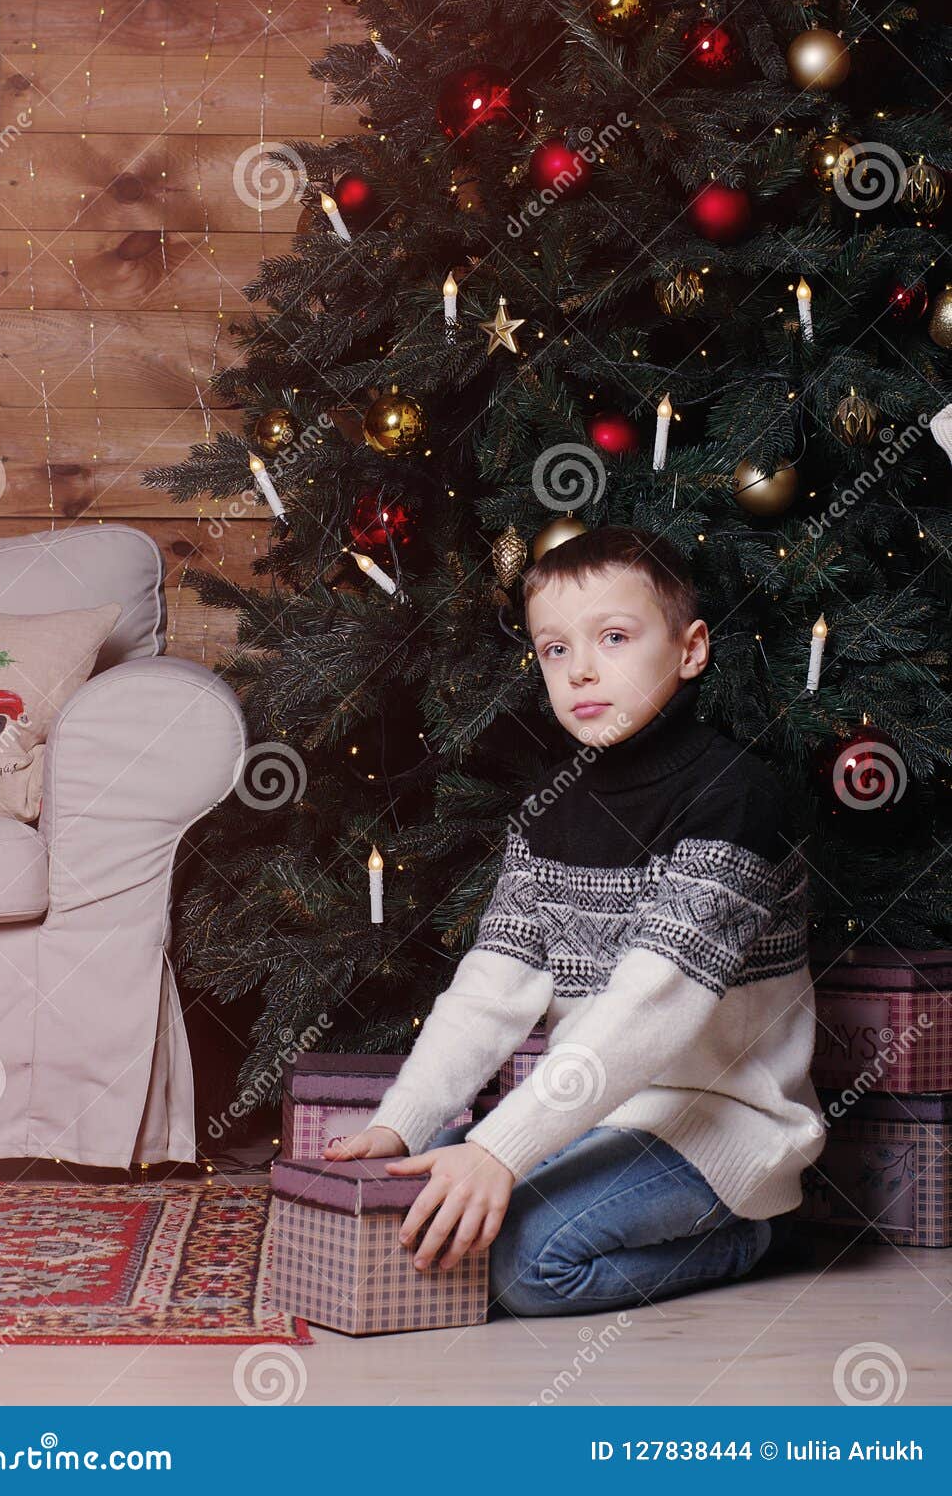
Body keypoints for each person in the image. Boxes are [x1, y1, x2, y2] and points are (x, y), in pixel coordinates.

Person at [324, 526, 826, 1318]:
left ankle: (753, 1238)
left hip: (722, 1124)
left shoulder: (736, 798)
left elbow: (649, 1004)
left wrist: (502, 1147)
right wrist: (407, 1123)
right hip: (595, 1110)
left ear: (691, 650)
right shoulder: (549, 813)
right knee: (419, 1204)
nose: (582, 669)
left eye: (615, 638)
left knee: (525, 1266)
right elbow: (489, 992)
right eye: (555, 650)